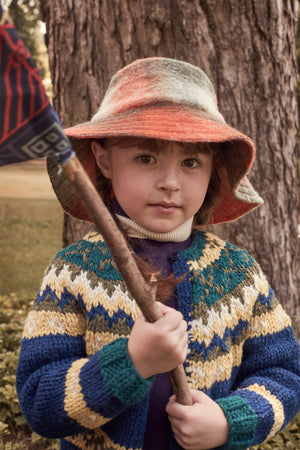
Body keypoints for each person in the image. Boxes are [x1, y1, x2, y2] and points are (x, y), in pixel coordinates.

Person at [16, 57, 300, 450]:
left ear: (212, 168)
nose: (170, 183)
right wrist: (132, 362)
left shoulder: (239, 274)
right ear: (103, 160)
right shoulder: (75, 272)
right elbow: (39, 401)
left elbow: (284, 374)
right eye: (146, 158)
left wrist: (228, 420)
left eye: (190, 162)